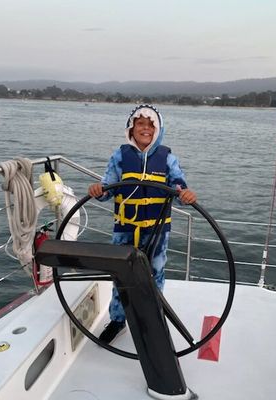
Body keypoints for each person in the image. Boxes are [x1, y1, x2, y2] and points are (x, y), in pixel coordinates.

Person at [88, 104, 197, 344]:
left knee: (154, 275)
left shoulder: (168, 158)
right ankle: (118, 320)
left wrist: (186, 195)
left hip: (157, 233)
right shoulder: (119, 157)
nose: (145, 129)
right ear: (131, 127)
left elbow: (179, 188)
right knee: (121, 276)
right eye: (140, 124)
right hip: (124, 230)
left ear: (158, 129)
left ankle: (151, 320)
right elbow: (107, 189)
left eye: (150, 125)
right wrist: (98, 191)